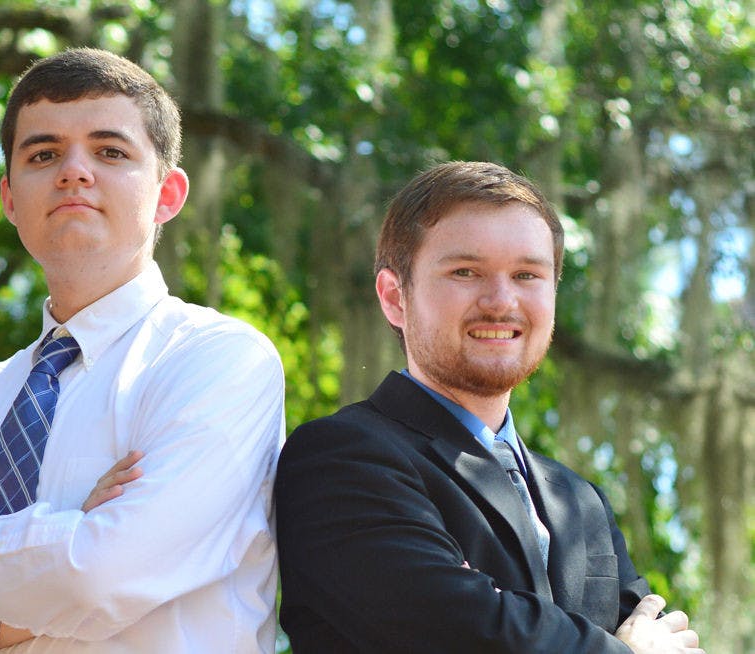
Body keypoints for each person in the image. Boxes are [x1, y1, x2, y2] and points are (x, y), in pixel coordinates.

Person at [0, 48, 285, 653]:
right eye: (43, 154)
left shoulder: (219, 361)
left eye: (110, 152)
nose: (74, 172)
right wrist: (71, 532)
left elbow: (100, 577)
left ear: (168, 194)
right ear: (10, 198)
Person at [274, 161, 703, 653]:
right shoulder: (341, 458)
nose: (501, 301)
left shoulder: (581, 501)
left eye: (526, 274)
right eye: (465, 272)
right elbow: (465, 635)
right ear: (395, 297)